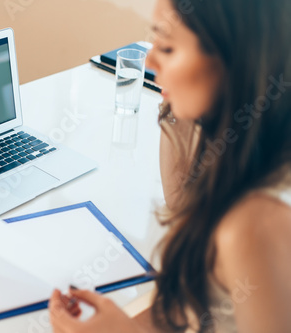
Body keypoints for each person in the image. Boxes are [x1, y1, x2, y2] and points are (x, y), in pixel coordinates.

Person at [49, 0, 291, 332]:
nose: (148, 60)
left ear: (230, 58)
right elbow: (181, 204)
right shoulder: (238, 149)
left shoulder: (253, 225)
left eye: (166, 45)